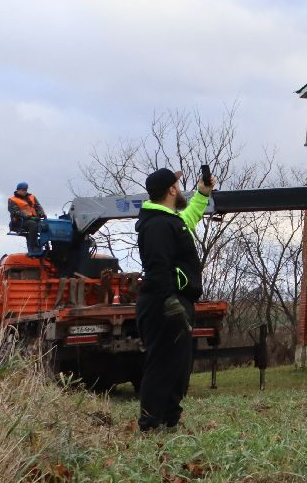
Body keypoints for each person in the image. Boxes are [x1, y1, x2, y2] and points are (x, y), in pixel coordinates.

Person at [135, 166, 212, 433]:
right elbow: (158, 267)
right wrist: (169, 301)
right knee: (161, 366)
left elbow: (188, 219)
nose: (179, 189)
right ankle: (150, 425)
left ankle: (169, 422)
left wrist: (202, 194)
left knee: (178, 366)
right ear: (171, 189)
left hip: (174, 301)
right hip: (163, 304)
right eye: (177, 186)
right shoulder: (157, 225)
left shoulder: (169, 221)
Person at [7, 182, 48, 253]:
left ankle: (46, 245)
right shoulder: (12, 200)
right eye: (23, 190)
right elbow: (15, 212)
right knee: (33, 224)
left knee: (47, 225)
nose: (25, 191)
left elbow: (38, 206)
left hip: (34, 219)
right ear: (18, 190)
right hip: (20, 221)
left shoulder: (32, 197)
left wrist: (41, 214)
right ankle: (34, 247)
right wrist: (28, 217)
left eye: (26, 190)